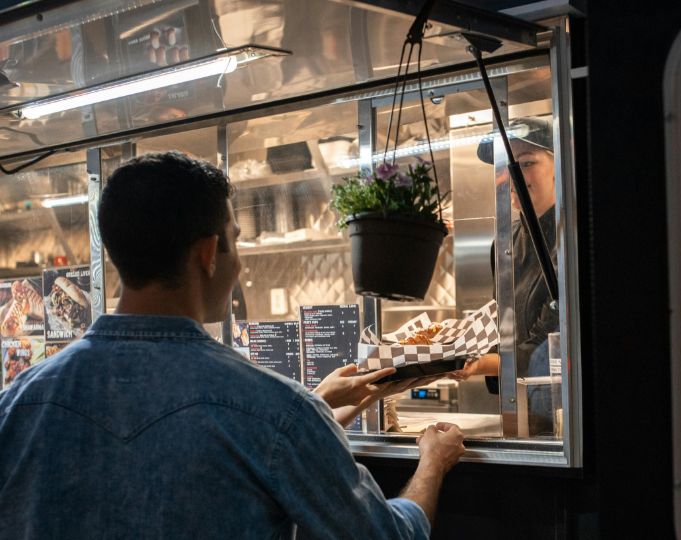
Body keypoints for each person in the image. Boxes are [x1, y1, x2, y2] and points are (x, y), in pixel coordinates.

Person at [0, 152, 464, 539]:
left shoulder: (18, 403)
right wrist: (433, 461)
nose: (238, 262)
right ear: (206, 253)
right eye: (236, 241)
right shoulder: (276, 410)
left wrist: (316, 404)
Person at [450, 117, 560, 434]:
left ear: (558, 166)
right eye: (503, 167)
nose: (511, 176)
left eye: (526, 163)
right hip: (519, 408)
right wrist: (462, 345)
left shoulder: (572, 240)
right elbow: (502, 329)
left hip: (567, 410)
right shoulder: (504, 242)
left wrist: (480, 363)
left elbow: (550, 342)